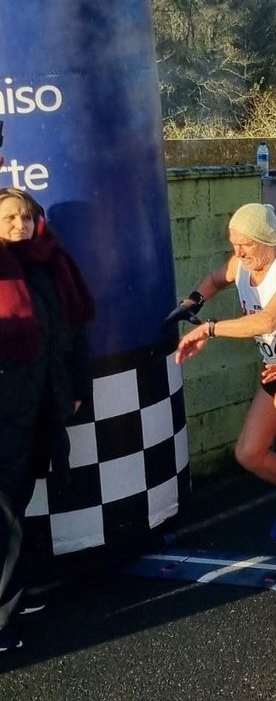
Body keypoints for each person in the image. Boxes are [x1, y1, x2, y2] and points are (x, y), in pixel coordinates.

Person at [174, 203, 276, 542]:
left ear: (268, 240)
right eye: (234, 243)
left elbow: (269, 320)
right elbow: (214, 279)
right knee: (248, 453)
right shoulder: (240, 265)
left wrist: (209, 329)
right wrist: (193, 300)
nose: (239, 251)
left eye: (247, 243)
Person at [0, 188, 94, 653]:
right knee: (5, 512)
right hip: (6, 408)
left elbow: (73, 334)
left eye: (25, 216)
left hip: (42, 405)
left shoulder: (52, 264)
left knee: (18, 502)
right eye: (9, 218)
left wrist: (78, 389)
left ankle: (13, 598)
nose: (18, 225)